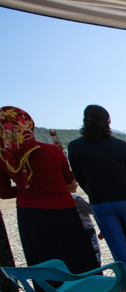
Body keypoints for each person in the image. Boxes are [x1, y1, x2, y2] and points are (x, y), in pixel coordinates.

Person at [0, 106, 99, 281]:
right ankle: (90, 288)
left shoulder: (5, 159)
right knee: (74, 250)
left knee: (43, 255)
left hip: (29, 212)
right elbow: (70, 183)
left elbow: (5, 193)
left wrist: (27, 188)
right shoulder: (52, 151)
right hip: (62, 208)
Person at [68, 105, 126, 283]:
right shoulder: (119, 145)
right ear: (107, 122)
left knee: (117, 243)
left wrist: (93, 191)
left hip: (100, 200)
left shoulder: (75, 147)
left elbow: (80, 177)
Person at [67, 180, 101, 266]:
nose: (77, 184)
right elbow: (92, 210)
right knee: (94, 252)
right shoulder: (76, 199)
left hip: (72, 231)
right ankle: (97, 272)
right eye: (74, 182)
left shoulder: (61, 200)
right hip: (87, 230)